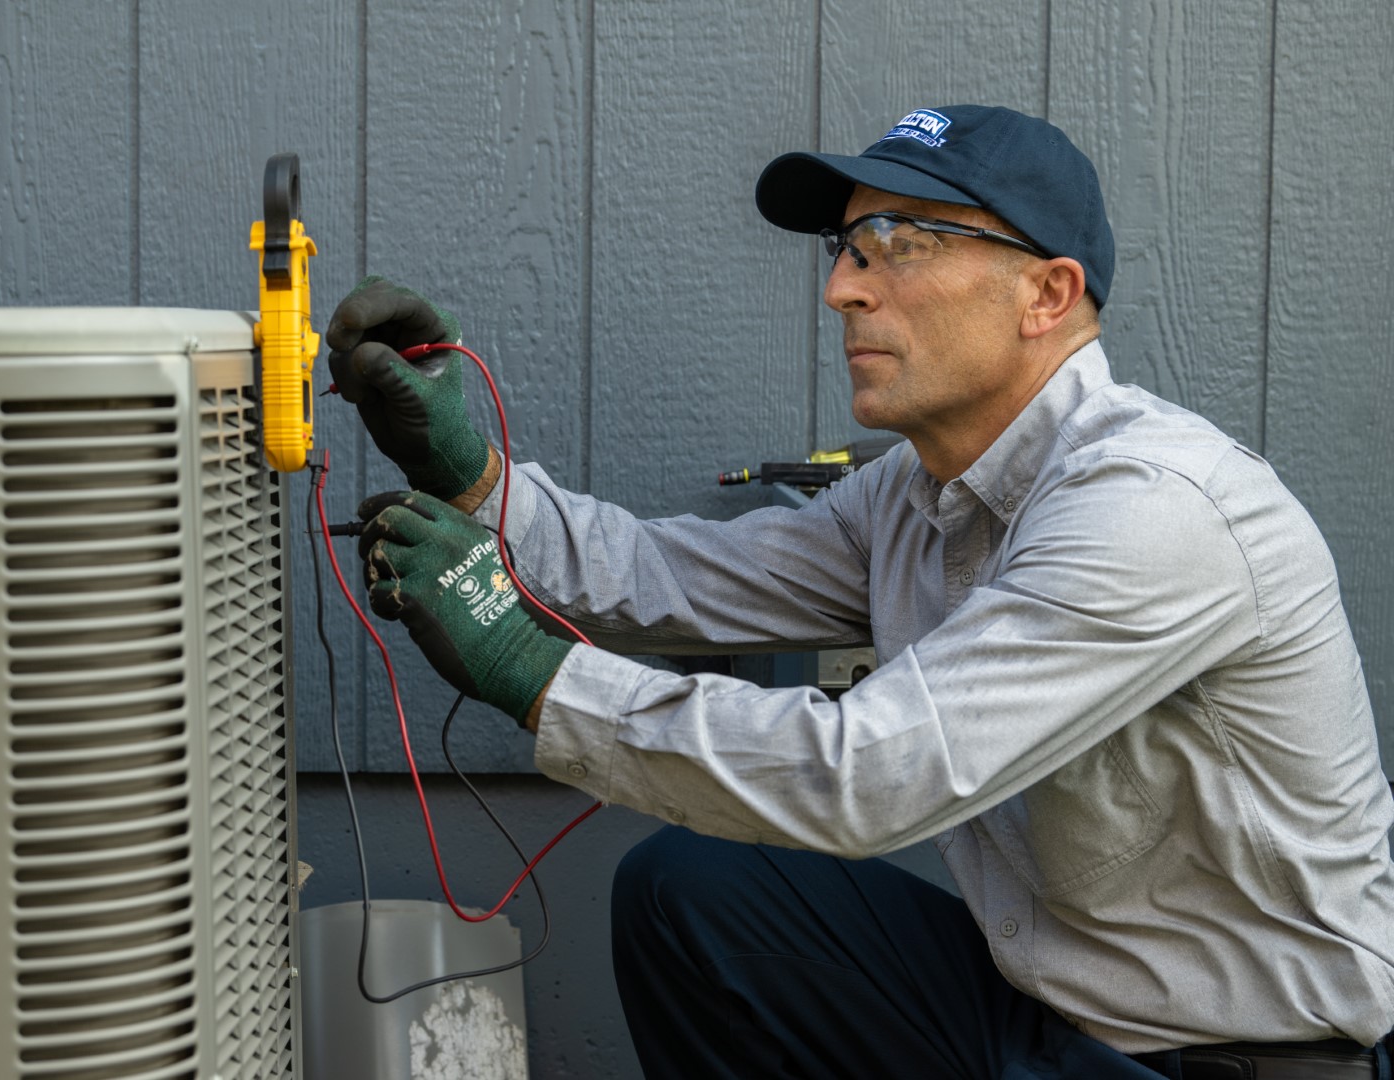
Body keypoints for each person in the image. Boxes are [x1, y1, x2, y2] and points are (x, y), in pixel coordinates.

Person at [326, 104, 1394, 1079]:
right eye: (847, 246)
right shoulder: (919, 494)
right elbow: (670, 577)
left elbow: (872, 775)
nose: (843, 286)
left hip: (1232, 1065)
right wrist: (472, 476)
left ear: (1048, 294)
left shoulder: (1154, 511)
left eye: (903, 245)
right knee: (695, 896)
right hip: (1037, 1021)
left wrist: (530, 668)